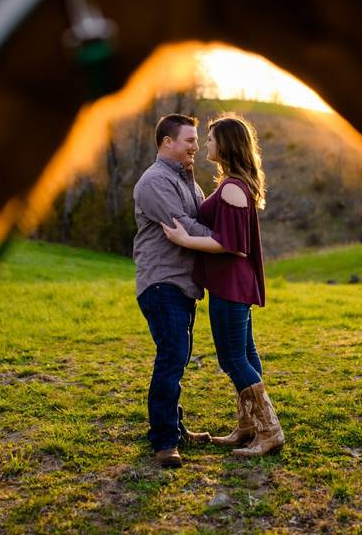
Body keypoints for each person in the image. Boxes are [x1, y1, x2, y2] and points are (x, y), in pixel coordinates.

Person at [162, 113, 284, 456]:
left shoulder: (232, 188)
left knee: (233, 359)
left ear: (226, 145)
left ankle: (269, 430)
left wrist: (184, 239)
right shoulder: (235, 184)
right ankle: (248, 428)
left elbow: (232, 244)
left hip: (230, 286)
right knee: (245, 354)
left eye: (212, 139)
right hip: (234, 284)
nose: (205, 145)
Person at [132, 113, 213, 468]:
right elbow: (186, 226)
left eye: (197, 141)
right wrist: (227, 241)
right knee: (172, 354)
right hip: (161, 281)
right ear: (167, 142)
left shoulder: (191, 184)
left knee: (177, 357)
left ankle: (175, 429)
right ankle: (165, 441)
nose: (196, 146)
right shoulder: (154, 182)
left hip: (183, 285)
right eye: (190, 140)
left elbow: (201, 220)